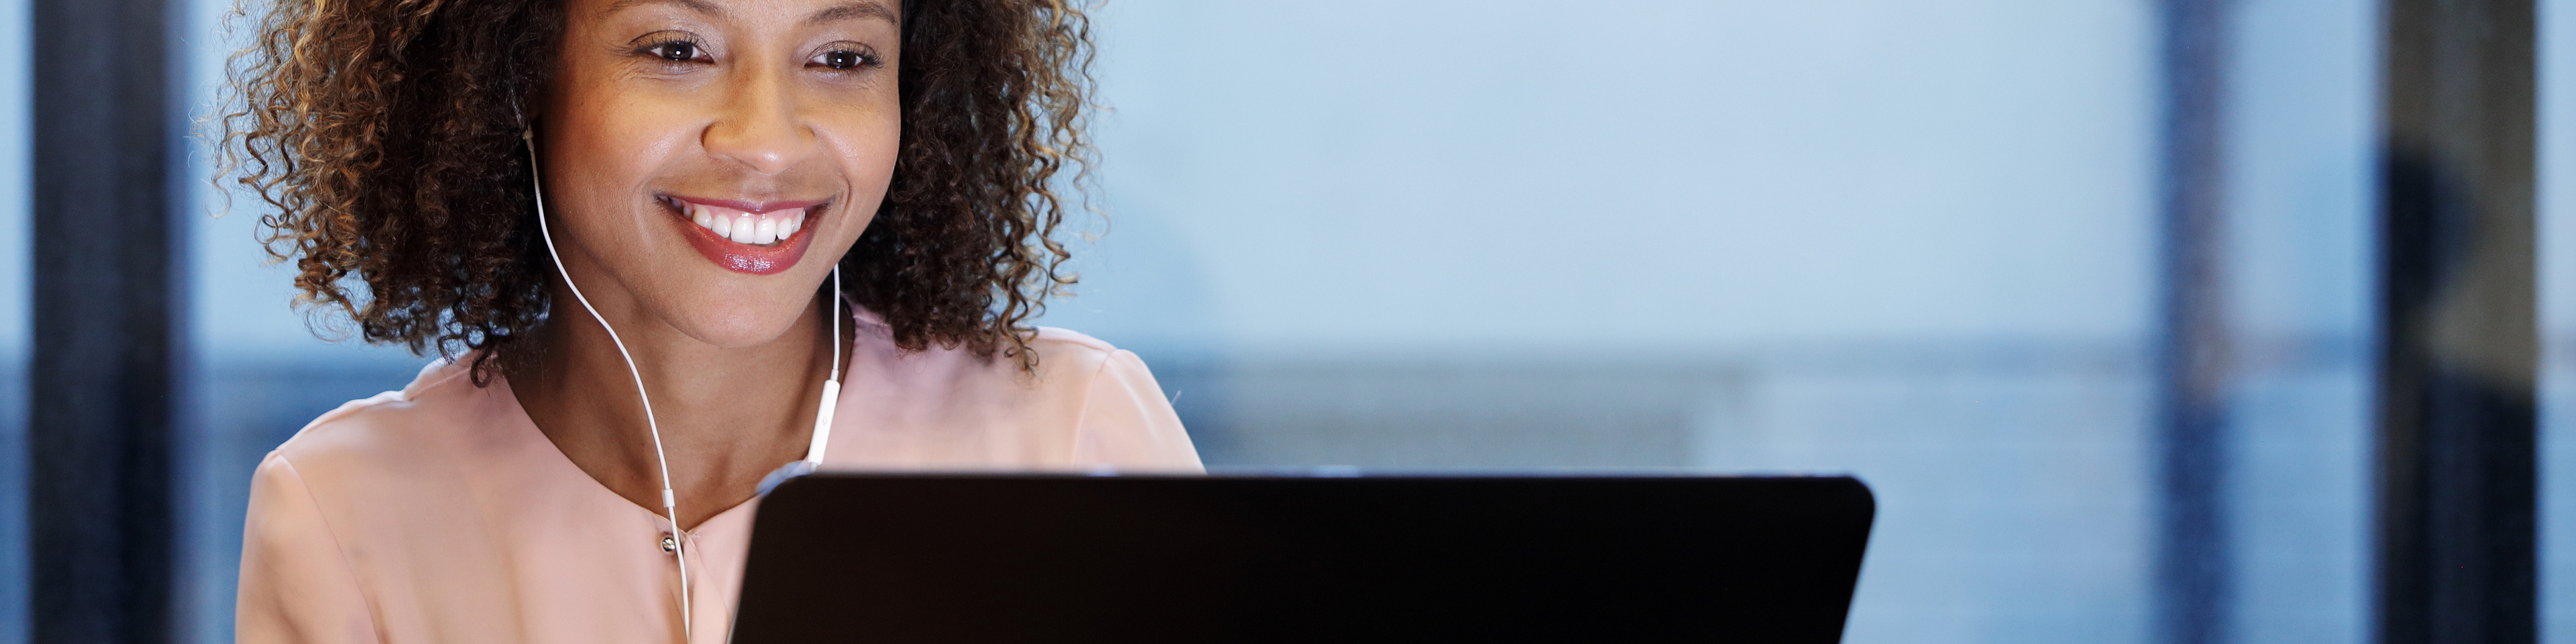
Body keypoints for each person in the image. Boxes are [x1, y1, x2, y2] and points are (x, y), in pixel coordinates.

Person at [221, 0, 1199, 641]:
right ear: (512, 79)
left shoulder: (1074, 441)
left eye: (842, 56)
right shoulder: (344, 515)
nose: (767, 142)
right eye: (678, 50)